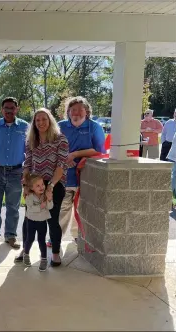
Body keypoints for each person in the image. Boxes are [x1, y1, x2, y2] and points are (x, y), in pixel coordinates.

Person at [20, 108, 69, 267]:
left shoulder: (60, 139)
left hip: (55, 183)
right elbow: (27, 163)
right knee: (29, 218)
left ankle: (55, 252)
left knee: (52, 220)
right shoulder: (31, 140)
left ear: (50, 121)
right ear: (34, 123)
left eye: (44, 119)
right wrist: (26, 185)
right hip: (34, 185)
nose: (41, 122)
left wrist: (51, 187)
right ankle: (25, 249)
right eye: (37, 120)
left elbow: (61, 165)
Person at [58, 97, 105, 243]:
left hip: (85, 177)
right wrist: (65, 158)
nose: (76, 113)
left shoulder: (94, 127)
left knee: (80, 209)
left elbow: (99, 151)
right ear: (68, 112)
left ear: (87, 111)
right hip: (63, 176)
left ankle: (78, 236)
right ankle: (55, 238)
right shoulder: (60, 126)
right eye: (73, 110)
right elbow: (52, 147)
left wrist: (76, 154)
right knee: (62, 209)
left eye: (80, 109)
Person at [0, 97, 29, 249]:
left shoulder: (24, 127)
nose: (9, 111)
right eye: (6, 108)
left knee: (13, 206)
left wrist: (27, 170)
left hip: (16, 172)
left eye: (12, 108)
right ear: (2, 110)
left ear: (17, 109)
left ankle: (11, 236)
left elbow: (30, 150)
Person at [21, 173, 53, 271]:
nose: (41, 187)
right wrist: (40, 207)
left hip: (42, 222)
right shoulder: (29, 196)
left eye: (42, 184)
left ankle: (44, 259)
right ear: (32, 188)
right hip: (31, 221)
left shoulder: (45, 195)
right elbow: (30, 209)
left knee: (41, 241)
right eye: (38, 186)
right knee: (29, 239)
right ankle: (26, 254)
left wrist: (50, 199)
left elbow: (50, 207)